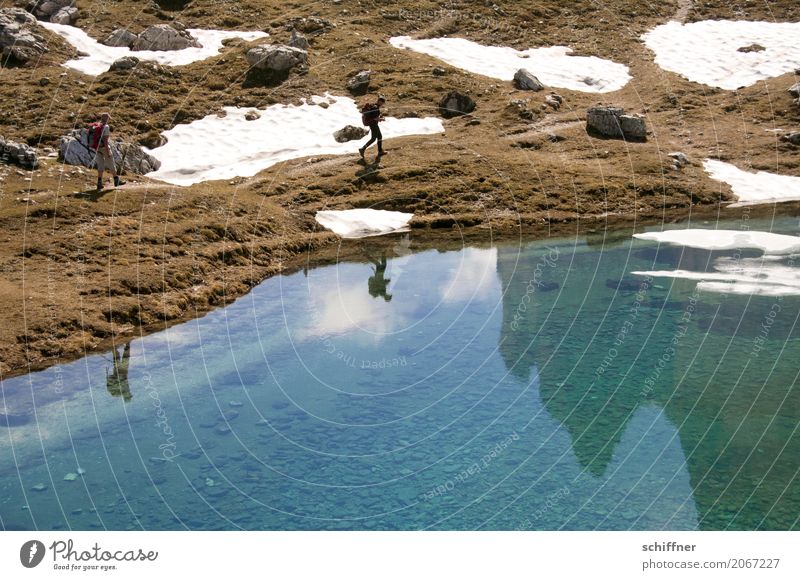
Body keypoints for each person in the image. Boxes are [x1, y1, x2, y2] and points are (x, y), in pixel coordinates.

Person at [91, 112, 124, 192]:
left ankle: (99, 183)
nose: (109, 120)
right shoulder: (106, 127)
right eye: (108, 118)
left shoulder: (96, 126)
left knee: (100, 165)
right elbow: (105, 140)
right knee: (111, 163)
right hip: (104, 148)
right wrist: (108, 150)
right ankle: (116, 180)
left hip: (97, 148)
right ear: (107, 118)